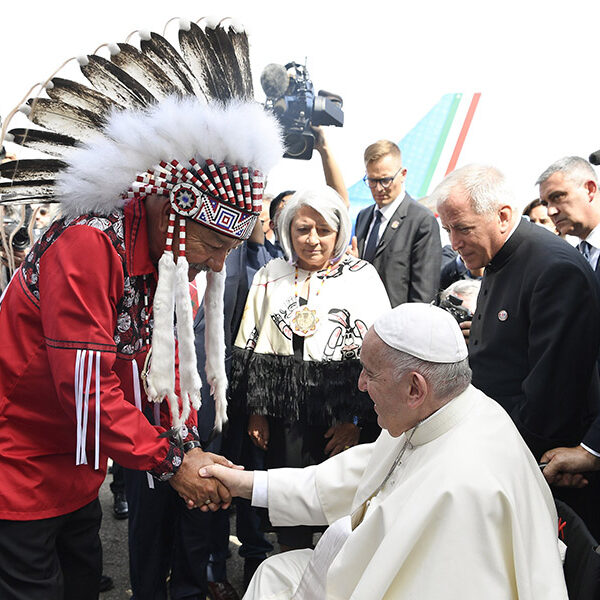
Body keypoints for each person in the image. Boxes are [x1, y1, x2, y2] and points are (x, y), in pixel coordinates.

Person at [0, 19, 283, 600]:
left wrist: (178, 450)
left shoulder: (155, 260)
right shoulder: (88, 243)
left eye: (227, 252)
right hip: (18, 466)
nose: (211, 265)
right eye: (209, 244)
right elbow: (86, 388)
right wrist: (170, 461)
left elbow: (138, 377)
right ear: (170, 211)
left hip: (76, 470)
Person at [199, 303, 568, 600]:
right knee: (275, 571)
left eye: (370, 373)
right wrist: (242, 483)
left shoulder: (464, 486)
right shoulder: (437, 413)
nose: (360, 384)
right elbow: (358, 478)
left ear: (414, 388)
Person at [432, 163, 600, 538]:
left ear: (503, 216)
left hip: (531, 467)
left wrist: (494, 458)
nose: (454, 243)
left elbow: (550, 400)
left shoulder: (553, 269)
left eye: (462, 228)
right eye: (448, 230)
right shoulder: (499, 259)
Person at [230, 186, 390, 553]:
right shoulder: (271, 273)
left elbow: (381, 355)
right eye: (302, 229)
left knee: (346, 519)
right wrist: (258, 411)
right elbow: (249, 344)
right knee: (292, 514)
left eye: (323, 229)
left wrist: (354, 418)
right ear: (287, 230)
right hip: (286, 420)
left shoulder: (362, 275)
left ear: (340, 232)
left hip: (344, 422)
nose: (313, 240)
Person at [534, 157, 600, 489]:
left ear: (590, 189)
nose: (550, 210)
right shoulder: (571, 258)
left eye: (558, 197)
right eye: (546, 202)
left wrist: (593, 450)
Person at [353, 139, 441, 306]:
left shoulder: (422, 221)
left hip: (398, 324)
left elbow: (423, 294)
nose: (379, 189)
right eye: (371, 181)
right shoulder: (363, 217)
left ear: (403, 174)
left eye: (385, 180)